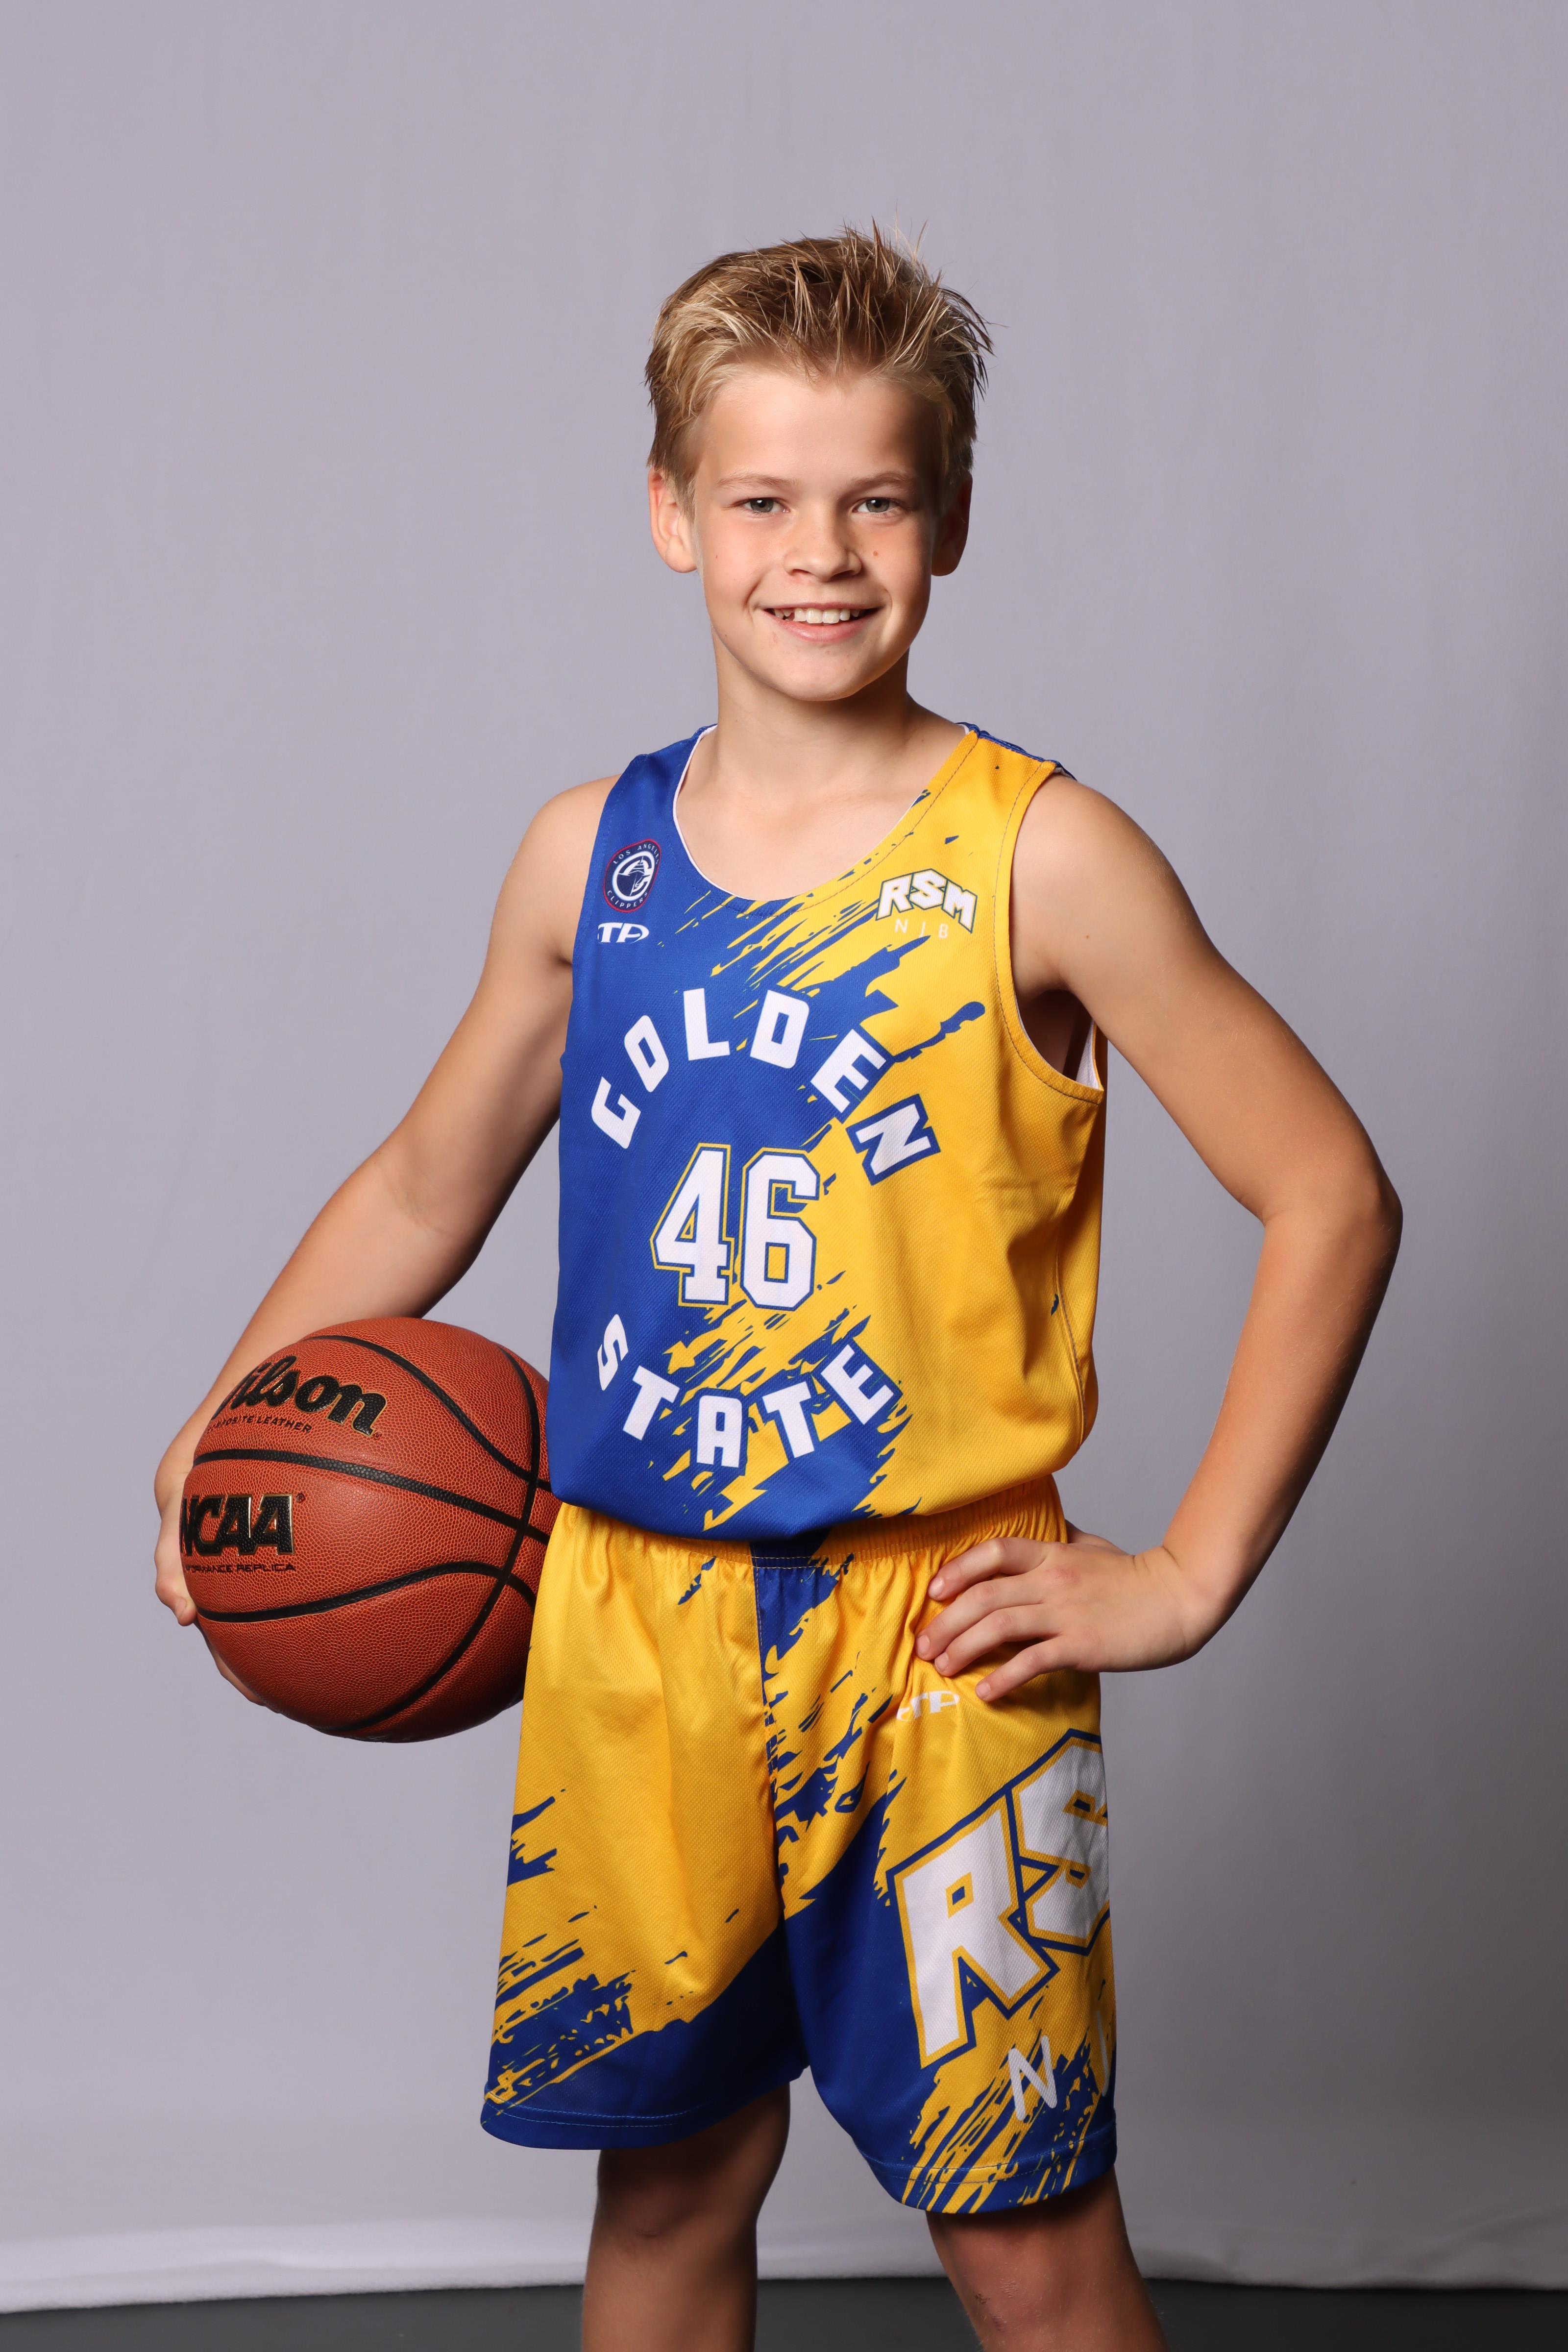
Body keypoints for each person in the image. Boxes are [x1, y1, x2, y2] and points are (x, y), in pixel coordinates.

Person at [154, 228, 1401, 2352]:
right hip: (633, 1631)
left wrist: (1189, 1572)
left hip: (941, 1650)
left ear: (950, 519)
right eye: (760, 499)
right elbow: (429, 1178)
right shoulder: (592, 858)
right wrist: (229, 1420)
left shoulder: (1039, 855)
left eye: (874, 499)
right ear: (670, 513)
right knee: (667, 2193)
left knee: (1026, 2237)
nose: (818, 554)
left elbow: (1329, 1193)